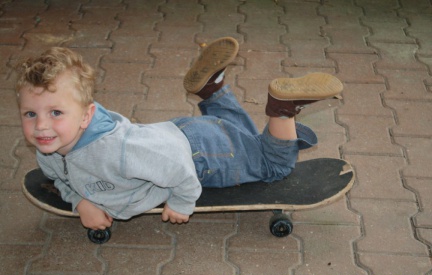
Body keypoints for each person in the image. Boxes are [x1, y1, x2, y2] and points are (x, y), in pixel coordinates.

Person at [15, 37, 343, 231]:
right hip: (182, 132)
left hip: (202, 157)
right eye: (31, 114)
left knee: (273, 165)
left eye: (55, 113)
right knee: (240, 137)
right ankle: (211, 88)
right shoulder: (53, 147)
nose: (41, 126)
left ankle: (282, 109)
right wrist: (80, 201)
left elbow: (179, 169)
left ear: (87, 115)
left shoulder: (112, 151)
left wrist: (182, 202)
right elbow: (62, 179)